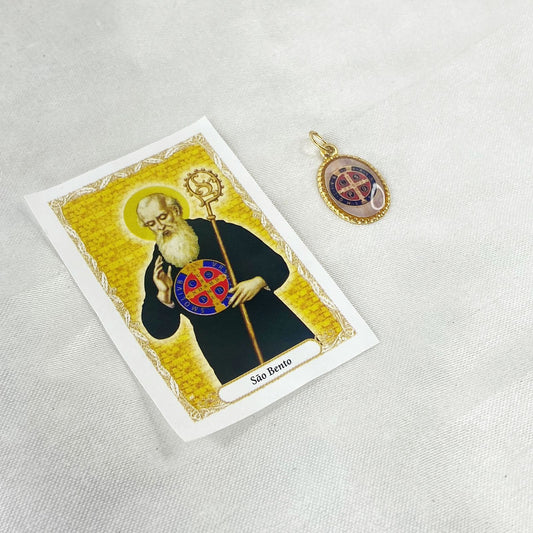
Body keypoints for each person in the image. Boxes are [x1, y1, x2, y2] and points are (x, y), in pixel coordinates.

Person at [137, 193, 315, 384]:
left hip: (271, 323)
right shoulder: (158, 269)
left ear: (175, 210)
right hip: (227, 351)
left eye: (162, 217)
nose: (160, 226)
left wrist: (258, 281)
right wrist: (164, 296)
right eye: (151, 224)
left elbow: (276, 264)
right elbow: (160, 331)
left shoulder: (218, 231)